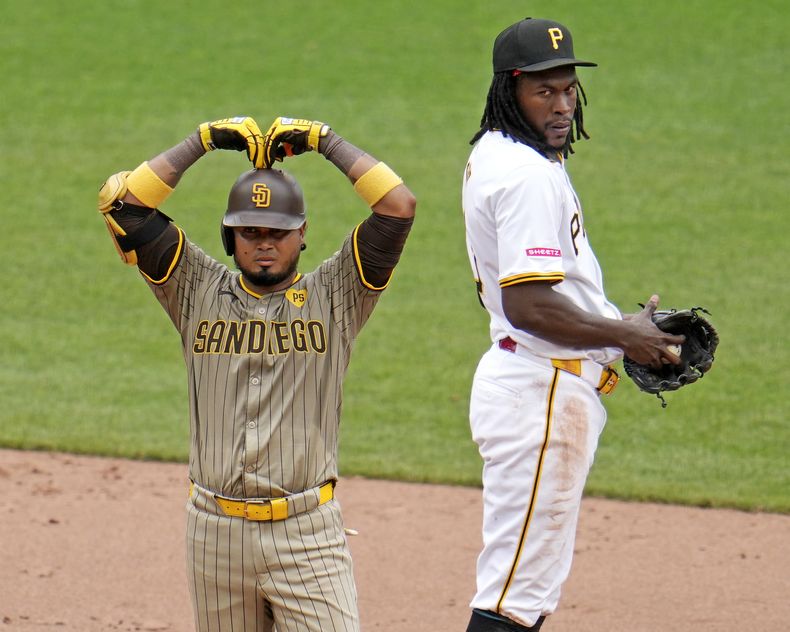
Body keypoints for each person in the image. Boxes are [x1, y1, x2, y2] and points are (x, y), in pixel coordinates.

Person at [97, 115, 416, 631]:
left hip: (306, 534)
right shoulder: (194, 287)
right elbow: (125, 206)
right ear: (230, 235)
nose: (264, 243)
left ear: (302, 233)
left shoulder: (337, 295)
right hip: (214, 535)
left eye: (277, 232)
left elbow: (398, 207)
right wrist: (200, 142)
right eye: (250, 231)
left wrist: (325, 141)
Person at [461, 18, 684, 631]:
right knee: (514, 598)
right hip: (543, 392)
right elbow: (530, 305)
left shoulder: (501, 151)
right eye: (544, 92)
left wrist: (619, 326)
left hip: (532, 380)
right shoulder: (527, 177)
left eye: (567, 90)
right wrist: (625, 335)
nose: (562, 106)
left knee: (522, 591)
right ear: (510, 90)